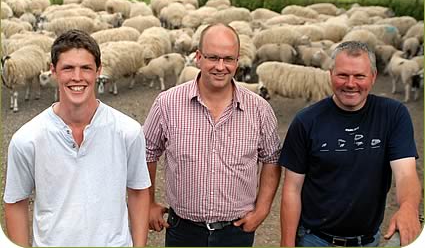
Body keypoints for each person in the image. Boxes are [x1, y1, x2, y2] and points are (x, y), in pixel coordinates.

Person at [3, 29, 151, 247]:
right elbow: (15, 202)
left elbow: (139, 191)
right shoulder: (27, 139)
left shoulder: (128, 131)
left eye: (86, 68)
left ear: (98, 71)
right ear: (53, 70)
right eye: (68, 68)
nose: (77, 77)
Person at [143, 23, 281, 247]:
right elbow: (147, 152)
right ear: (198, 57)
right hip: (183, 230)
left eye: (228, 59)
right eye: (213, 57)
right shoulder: (168, 103)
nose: (220, 66)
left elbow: (271, 159)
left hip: (235, 232)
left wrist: (262, 210)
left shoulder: (258, 109)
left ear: (237, 61)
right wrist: (148, 203)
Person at [279, 40, 421, 247]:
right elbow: (292, 188)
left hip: (367, 241)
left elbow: (406, 173)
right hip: (315, 239)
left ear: (373, 77)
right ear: (331, 75)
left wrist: (409, 207)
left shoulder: (393, 115)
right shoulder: (306, 121)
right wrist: (287, 243)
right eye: (343, 75)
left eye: (359, 76)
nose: (350, 83)